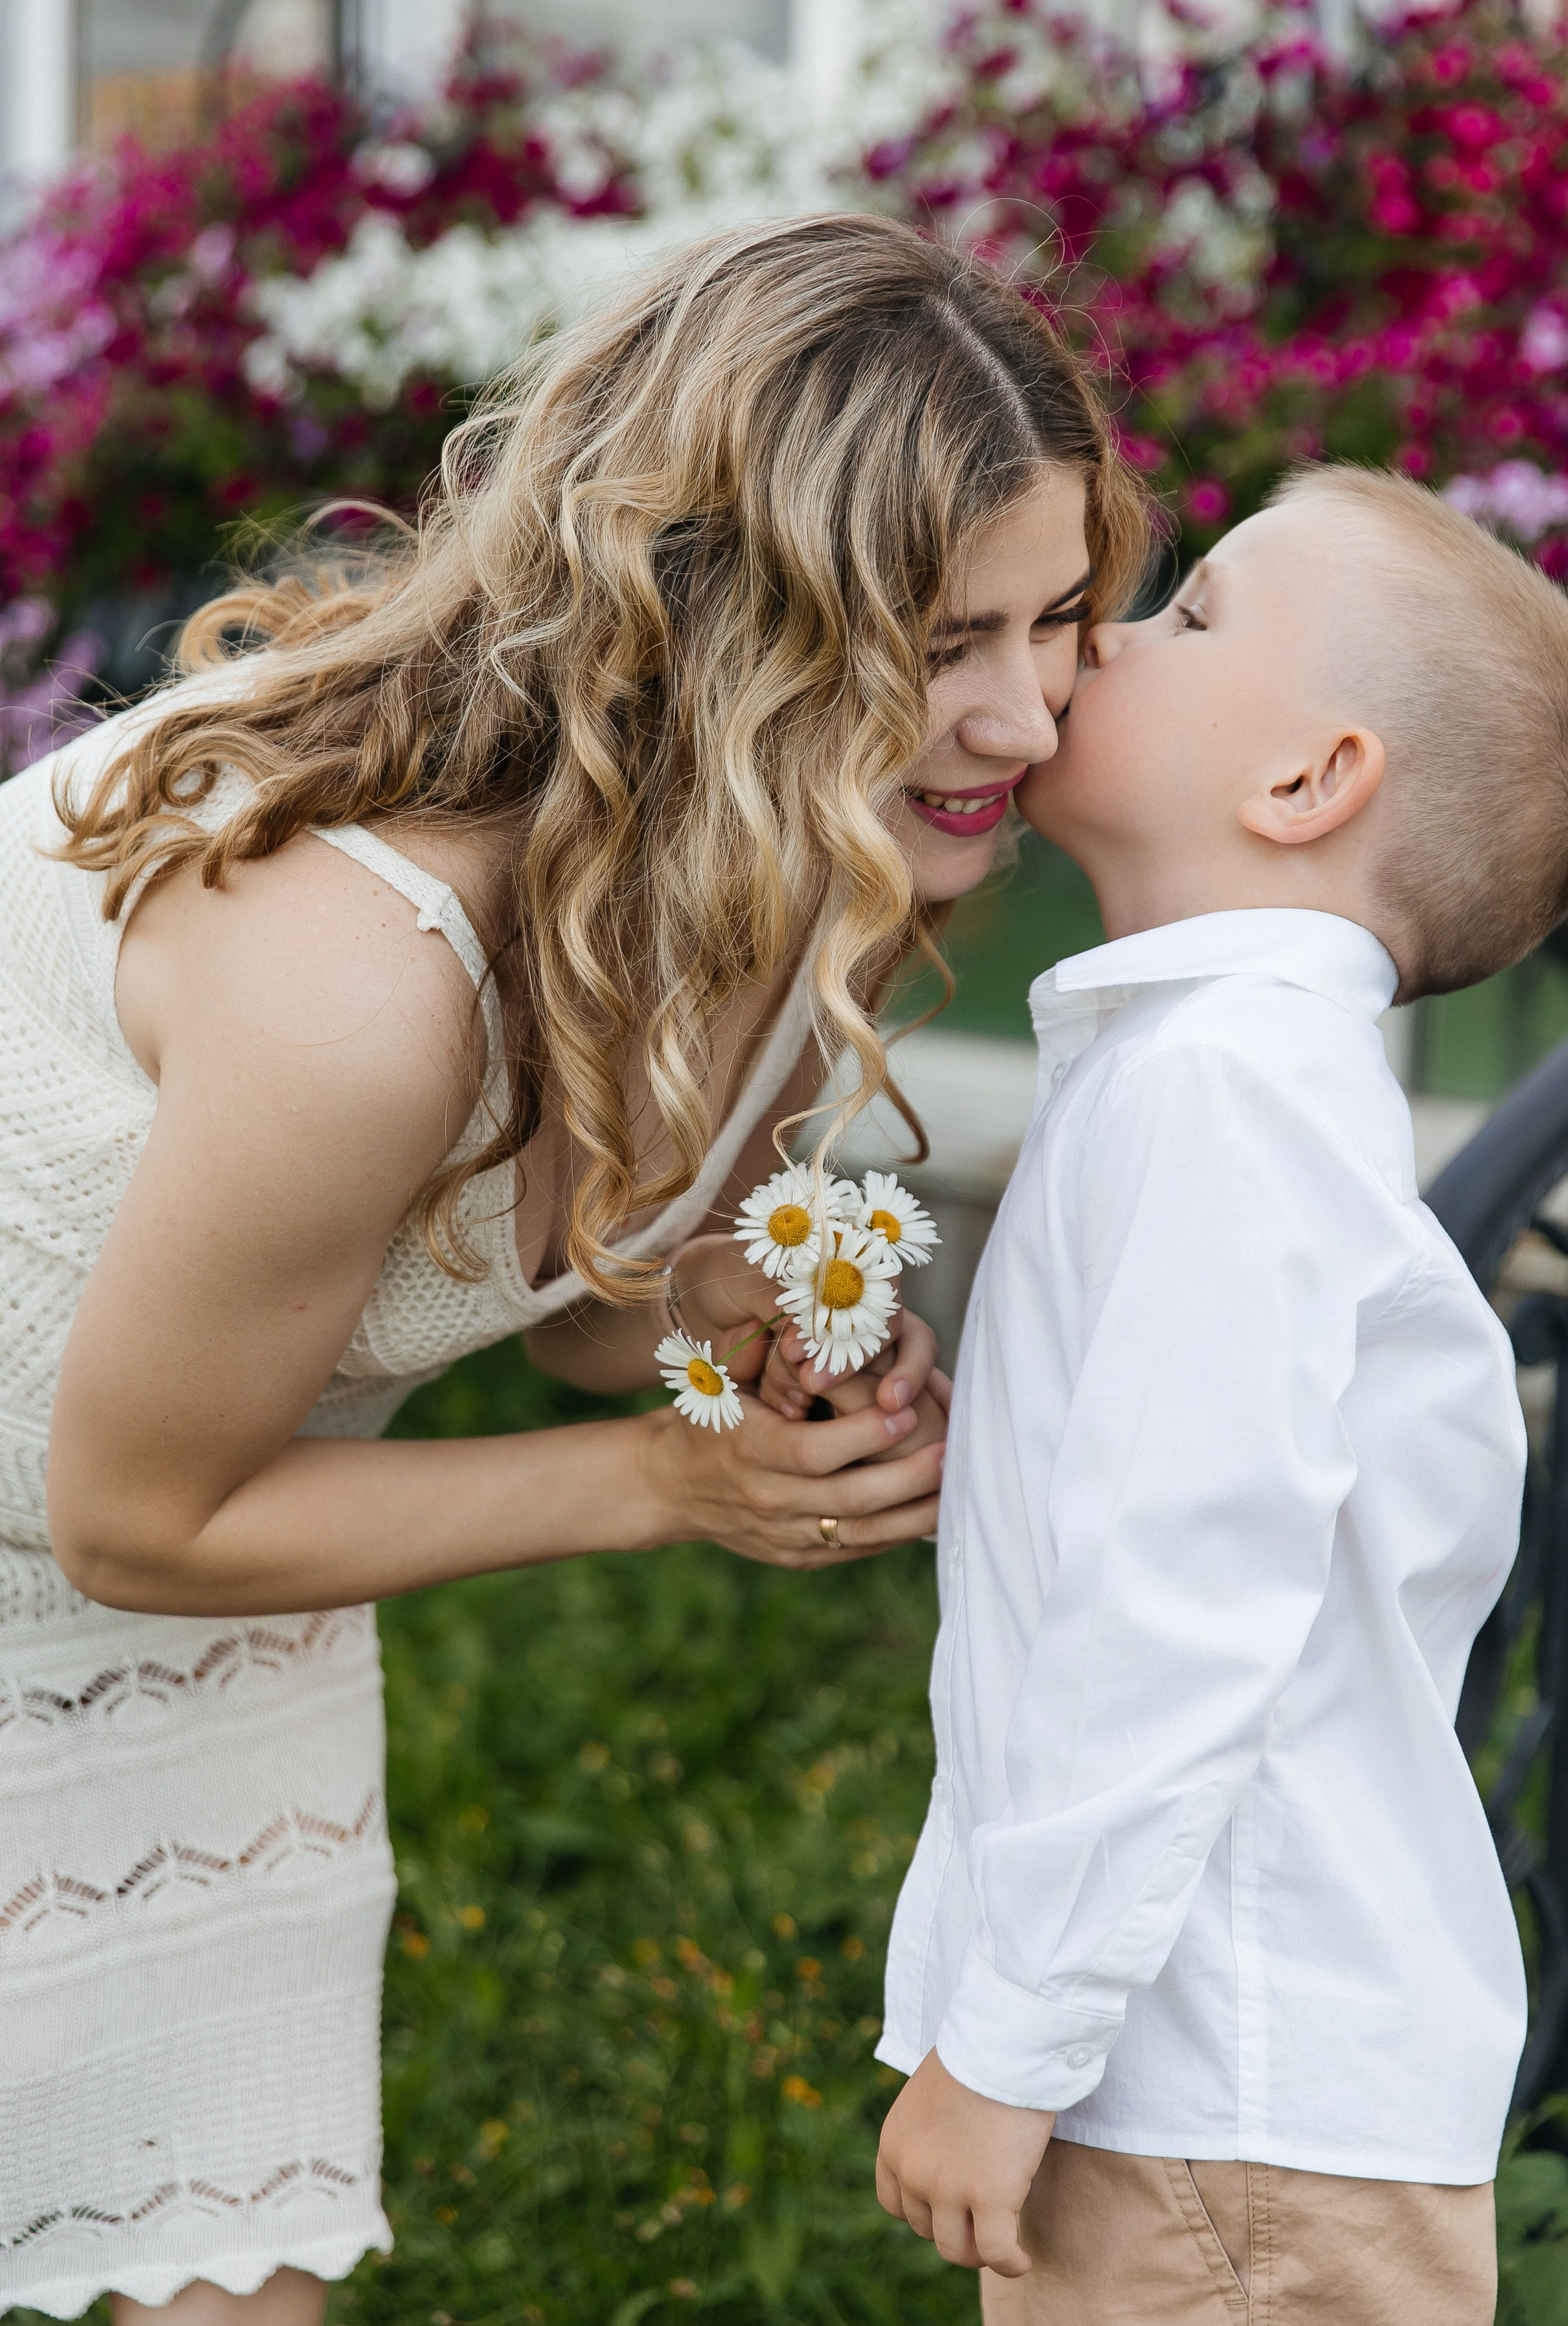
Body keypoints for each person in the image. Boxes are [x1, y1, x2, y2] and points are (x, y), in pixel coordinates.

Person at [0, 212, 1149, 2323]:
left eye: (1059, 617)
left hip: (191, 1582)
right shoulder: (367, 975)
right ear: (719, 620)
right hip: (146, 1523)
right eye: (940, 638)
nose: (1022, 711)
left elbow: (591, 1302)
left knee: (218, 2273)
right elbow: (139, 1518)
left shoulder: (824, 849)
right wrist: (669, 1490)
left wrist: (748, 1324)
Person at [872, 463, 1568, 2323]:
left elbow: (1183, 1602)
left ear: (1308, 785)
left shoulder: (1230, 1094)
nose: (1100, 640)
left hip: (1224, 2109)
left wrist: (1014, 2038)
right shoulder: (1207, 1069)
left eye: (1189, 616)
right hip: (1218, 2095)